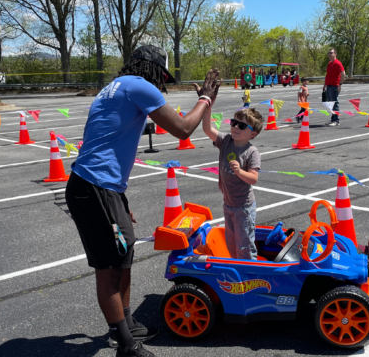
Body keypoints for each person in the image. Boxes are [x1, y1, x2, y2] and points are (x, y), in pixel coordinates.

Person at [65, 45, 222, 357]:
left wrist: (118, 200)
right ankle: (124, 345)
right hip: (95, 187)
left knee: (124, 255)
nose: (160, 85)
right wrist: (204, 99)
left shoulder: (115, 86)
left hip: (101, 187)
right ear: (150, 69)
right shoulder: (139, 86)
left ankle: (126, 324)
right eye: (160, 77)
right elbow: (182, 130)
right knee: (109, 268)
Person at [201, 107, 263, 259]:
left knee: (245, 246)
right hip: (228, 204)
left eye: (241, 126)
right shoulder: (226, 141)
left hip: (244, 208)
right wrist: (208, 106)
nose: (235, 127)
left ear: (252, 134)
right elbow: (207, 129)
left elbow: (253, 179)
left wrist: (240, 172)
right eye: (234, 122)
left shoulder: (252, 152)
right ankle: (237, 270)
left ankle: (249, 275)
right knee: (231, 243)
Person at [323, 48, 345, 127]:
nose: (329, 54)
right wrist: (325, 84)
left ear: (335, 54)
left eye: (331, 53)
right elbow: (328, 75)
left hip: (335, 86)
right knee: (330, 104)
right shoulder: (329, 63)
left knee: (335, 103)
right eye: (328, 53)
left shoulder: (337, 63)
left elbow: (343, 73)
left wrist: (340, 84)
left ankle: (336, 120)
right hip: (329, 86)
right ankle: (333, 119)